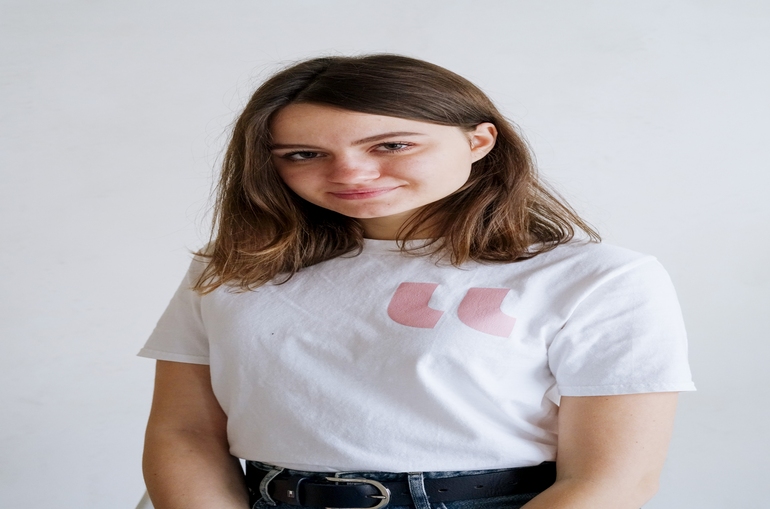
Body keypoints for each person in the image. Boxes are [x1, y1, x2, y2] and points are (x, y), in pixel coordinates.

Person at [139, 54, 695, 509]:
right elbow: (184, 435)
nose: (350, 173)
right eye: (305, 154)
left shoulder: (598, 278)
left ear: (480, 141)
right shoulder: (235, 266)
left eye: (391, 145)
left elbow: (613, 481)